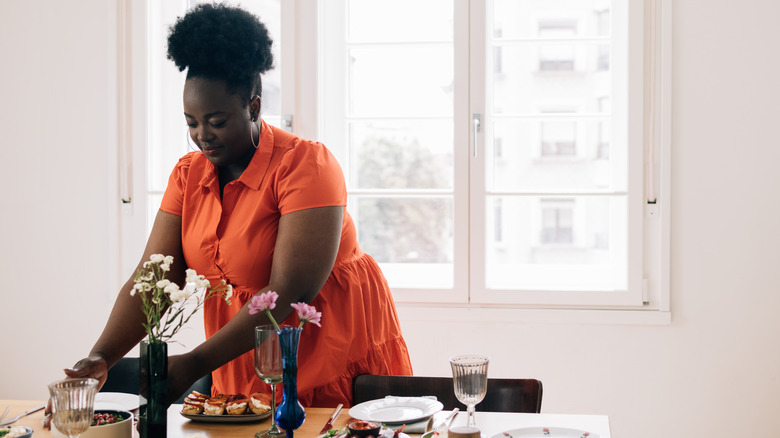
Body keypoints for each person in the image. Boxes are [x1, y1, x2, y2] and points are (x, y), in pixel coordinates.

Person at [52, 2, 412, 410]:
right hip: (239, 361)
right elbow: (153, 277)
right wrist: (101, 357)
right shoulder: (188, 176)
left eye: (217, 121)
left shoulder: (307, 166)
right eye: (191, 122)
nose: (202, 136)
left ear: (254, 106)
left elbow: (290, 293)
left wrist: (193, 365)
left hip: (322, 358)